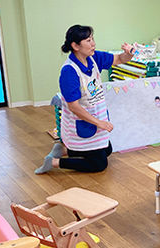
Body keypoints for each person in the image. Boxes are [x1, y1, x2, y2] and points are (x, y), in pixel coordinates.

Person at [35, 25, 134, 174]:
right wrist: (99, 122)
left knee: (107, 150)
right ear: (75, 46)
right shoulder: (69, 71)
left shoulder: (94, 58)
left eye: (92, 39)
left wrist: (129, 53)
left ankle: (64, 149)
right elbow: (74, 107)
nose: (93, 43)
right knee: (99, 164)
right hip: (80, 123)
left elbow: (120, 59)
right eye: (88, 40)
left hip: (94, 120)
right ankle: (55, 162)